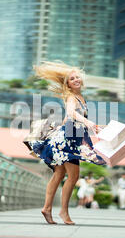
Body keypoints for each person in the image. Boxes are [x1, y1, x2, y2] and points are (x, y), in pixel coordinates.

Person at [28, 61, 106, 225]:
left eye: (78, 77)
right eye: (72, 78)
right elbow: (71, 112)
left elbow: (68, 119)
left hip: (69, 136)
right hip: (68, 140)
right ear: (68, 84)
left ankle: (47, 209)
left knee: (60, 174)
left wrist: (93, 126)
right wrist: (86, 121)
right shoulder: (71, 97)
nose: (76, 79)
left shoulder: (80, 97)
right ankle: (63, 212)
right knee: (73, 176)